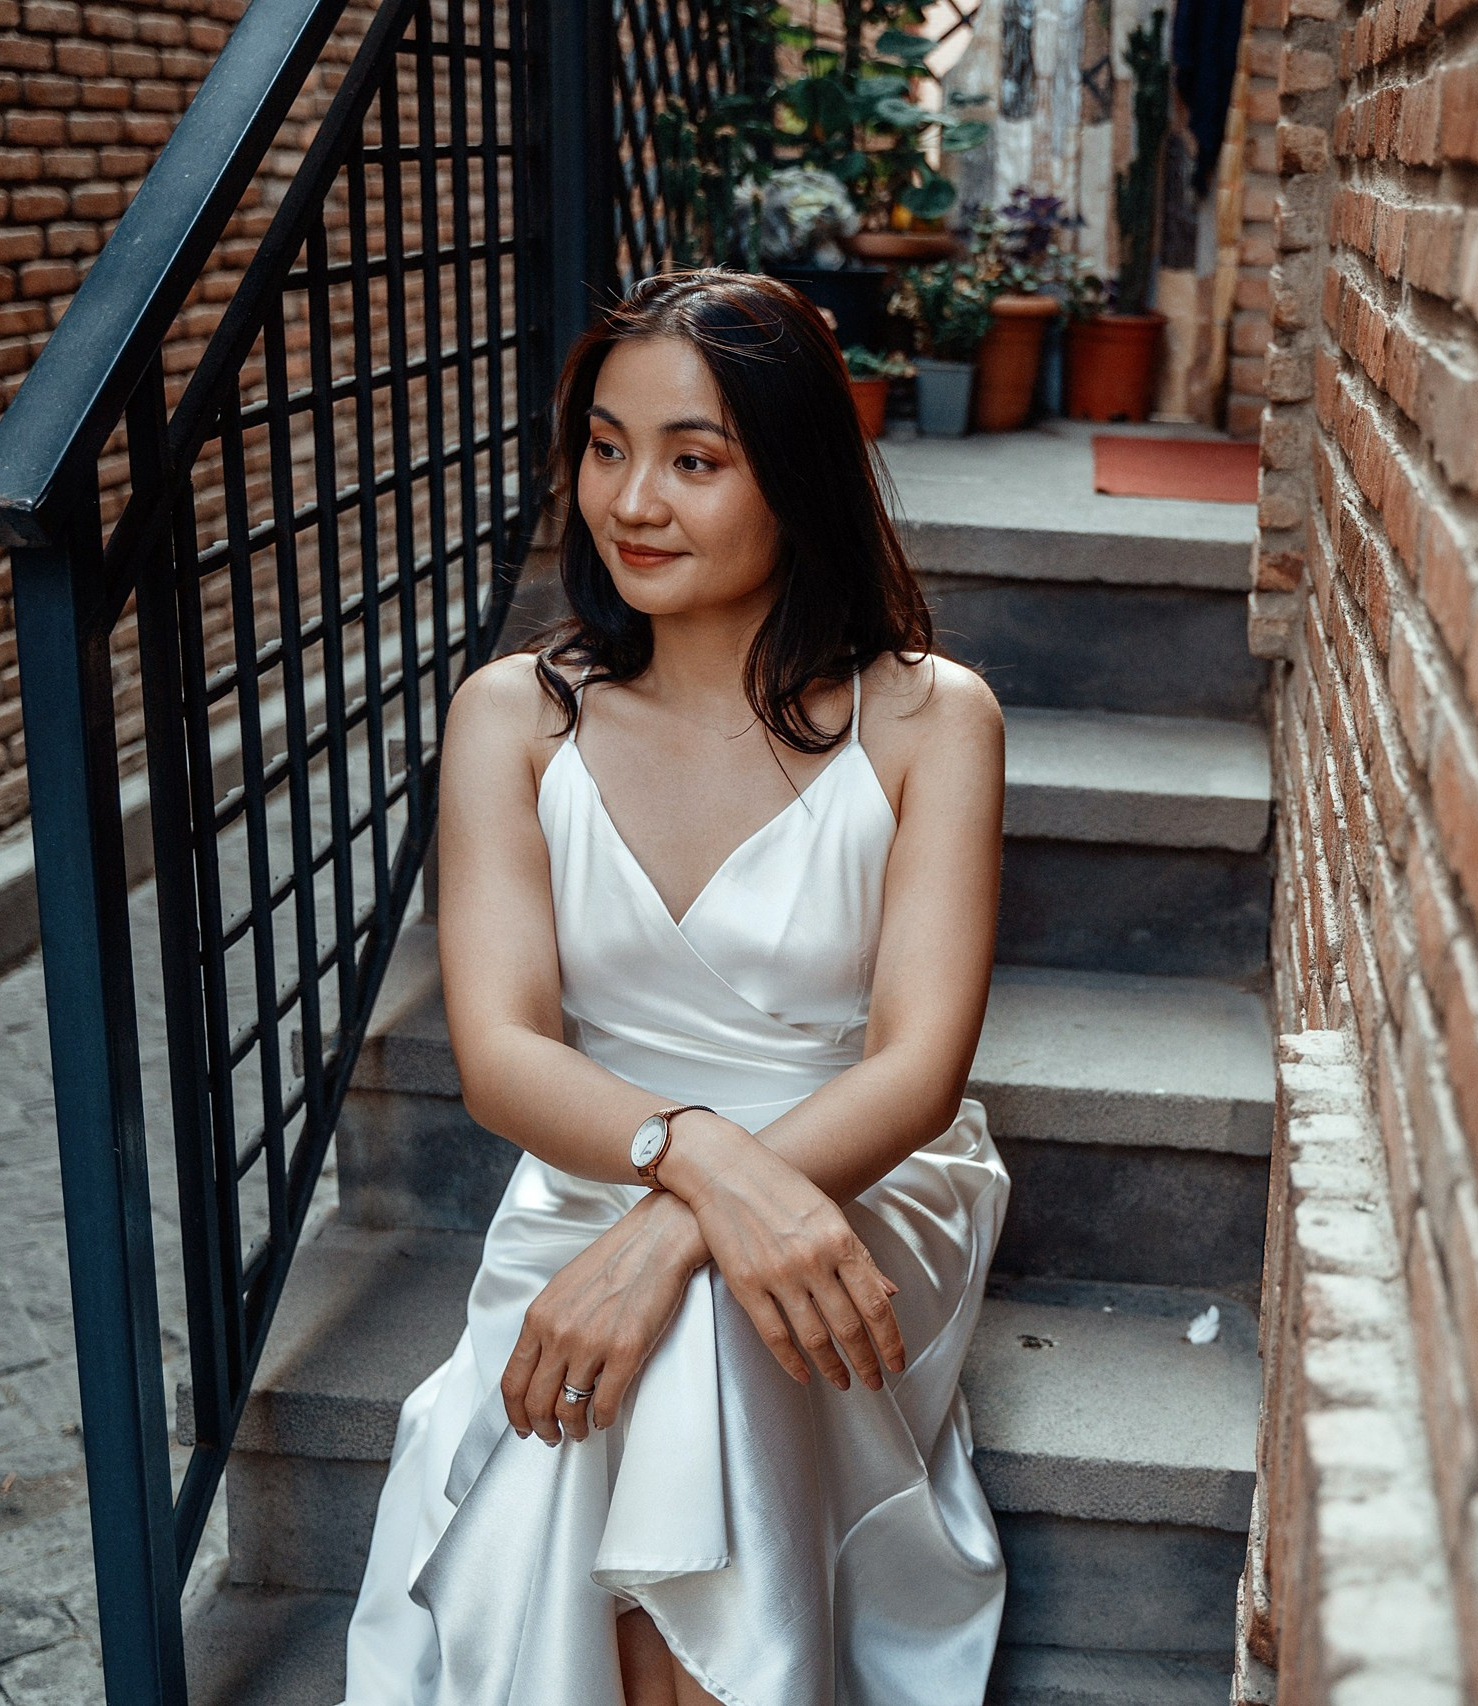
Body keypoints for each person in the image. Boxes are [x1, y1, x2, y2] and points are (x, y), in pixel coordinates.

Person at [340, 270, 1011, 1706]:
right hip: (598, 1170)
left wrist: (678, 1238)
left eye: (695, 459)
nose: (632, 498)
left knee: (706, 1328)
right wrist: (689, 1168)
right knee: (602, 1404)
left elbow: (916, 1068)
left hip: (859, 1173)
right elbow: (503, 1051)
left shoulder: (928, 716)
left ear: (797, 474)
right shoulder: (513, 717)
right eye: (605, 444)